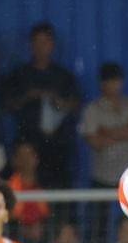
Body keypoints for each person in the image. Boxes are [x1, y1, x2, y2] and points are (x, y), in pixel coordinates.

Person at [4, 23, 81, 190]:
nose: (41, 47)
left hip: (58, 145)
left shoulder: (63, 76)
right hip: (28, 146)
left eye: (45, 42)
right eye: (37, 43)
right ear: (31, 45)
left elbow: (76, 106)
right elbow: (8, 105)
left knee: (59, 193)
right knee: (27, 193)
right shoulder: (20, 74)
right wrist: (28, 96)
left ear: (52, 45)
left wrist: (59, 102)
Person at [79, 63, 128, 189]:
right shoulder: (92, 109)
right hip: (103, 175)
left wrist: (106, 131)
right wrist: (126, 131)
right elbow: (95, 142)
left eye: (117, 81)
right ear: (102, 84)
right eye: (110, 81)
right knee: (100, 208)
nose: (114, 85)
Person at [7, 141, 51, 243]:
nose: (25, 160)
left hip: (43, 235)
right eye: (21, 156)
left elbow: (51, 215)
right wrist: (25, 230)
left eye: (29, 155)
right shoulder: (8, 187)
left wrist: (41, 227)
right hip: (17, 235)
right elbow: (7, 218)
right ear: (15, 160)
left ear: (36, 159)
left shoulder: (45, 185)